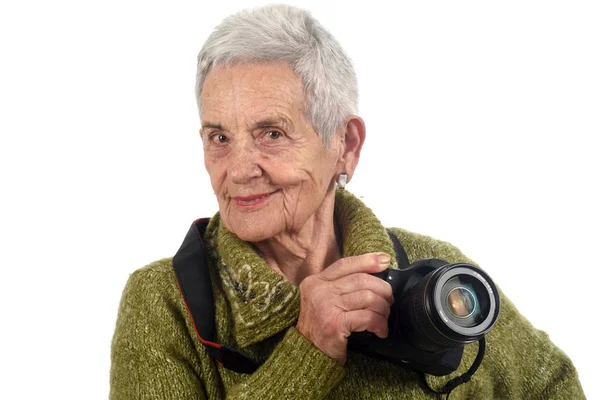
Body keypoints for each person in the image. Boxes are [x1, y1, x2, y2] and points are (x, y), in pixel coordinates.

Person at [110, 4, 585, 399]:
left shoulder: (432, 273)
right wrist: (308, 348)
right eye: (219, 137)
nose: (237, 170)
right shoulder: (164, 302)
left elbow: (552, 385)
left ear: (346, 144)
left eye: (271, 133)